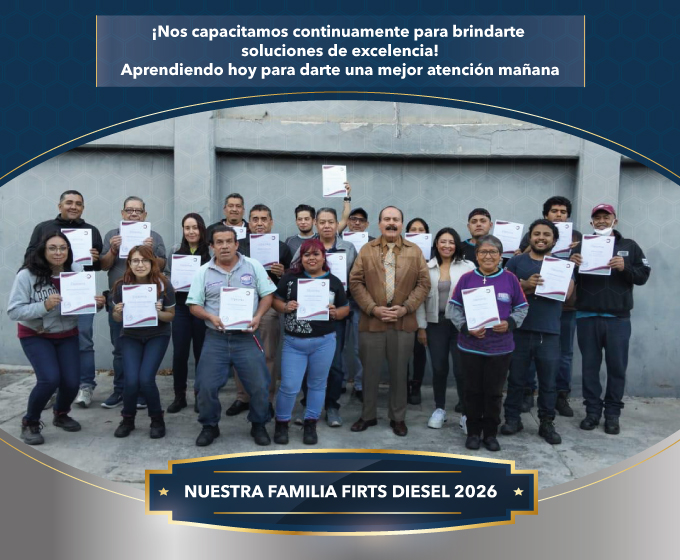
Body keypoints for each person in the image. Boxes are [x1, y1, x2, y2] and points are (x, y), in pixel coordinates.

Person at [8, 232, 104, 445]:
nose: (58, 252)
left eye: (63, 248)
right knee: (50, 379)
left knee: (71, 382)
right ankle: (30, 422)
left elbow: (80, 306)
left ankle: (61, 414)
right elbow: (14, 311)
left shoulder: (76, 272)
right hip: (37, 334)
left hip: (67, 333)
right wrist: (44, 305)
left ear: (69, 251)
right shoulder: (27, 275)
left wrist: (94, 304)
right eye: (52, 248)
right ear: (43, 250)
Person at [186, 225, 276, 447]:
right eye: (219, 242)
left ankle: (258, 423)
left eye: (229, 241)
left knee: (260, 384)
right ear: (212, 246)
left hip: (246, 337)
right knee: (205, 386)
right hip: (215, 338)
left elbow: (267, 295)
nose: (224, 246)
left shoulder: (253, 266)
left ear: (236, 244)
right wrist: (209, 316)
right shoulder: (202, 272)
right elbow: (193, 305)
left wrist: (258, 316)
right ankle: (210, 425)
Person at [349, 206, 430, 437]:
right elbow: (355, 282)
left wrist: (405, 308)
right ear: (379, 223)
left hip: (402, 323)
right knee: (370, 373)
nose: (391, 223)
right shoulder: (367, 250)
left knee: (399, 373)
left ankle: (398, 417)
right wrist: (373, 309)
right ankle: (368, 415)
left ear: (402, 224)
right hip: (372, 322)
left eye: (395, 219)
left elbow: (424, 283)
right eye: (387, 219)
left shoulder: (414, 251)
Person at [570, 204, 651, 435]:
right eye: (597, 218)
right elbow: (567, 278)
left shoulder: (629, 246)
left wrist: (625, 267)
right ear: (591, 222)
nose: (602, 221)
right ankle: (592, 412)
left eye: (606, 217)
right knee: (589, 368)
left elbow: (643, 276)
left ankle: (612, 414)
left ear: (615, 220)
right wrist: (572, 264)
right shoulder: (581, 246)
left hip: (618, 319)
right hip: (586, 317)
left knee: (617, 368)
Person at [24, 190, 104, 409]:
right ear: (59, 206)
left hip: (80, 292)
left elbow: (97, 266)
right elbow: (29, 257)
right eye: (69, 202)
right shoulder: (44, 228)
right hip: (51, 293)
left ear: (83, 208)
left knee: (84, 339)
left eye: (78, 203)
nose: (73, 206)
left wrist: (95, 259)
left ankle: (86, 386)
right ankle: (54, 388)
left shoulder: (91, 231)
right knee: (52, 340)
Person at [449, 235, 528, 452]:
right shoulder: (466, 279)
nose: (488, 256)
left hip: (500, 348)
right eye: (483, 252)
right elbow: (453, 308)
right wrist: (466, 328)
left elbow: (522, 307)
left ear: (500, 256)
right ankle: (473, 432)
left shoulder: (510, 279)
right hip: (470, 346)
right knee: (472, 391)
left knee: (494, 393)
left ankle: (491, 433)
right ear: (476, 255)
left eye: (493, 252)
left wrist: (510, 323)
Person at [501, 220, 574, 445]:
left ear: (554, 240)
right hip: (519, 330)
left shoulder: (563, 265)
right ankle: (512, 419)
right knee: (516, 380)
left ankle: (546, 423)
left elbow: (568, 294)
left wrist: (545, 286)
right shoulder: (516, 261)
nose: (541, 238)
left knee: (548, 382)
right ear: (530, 237)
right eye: (536, 234)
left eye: (546, 234)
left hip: (549, 331)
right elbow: (503, 292)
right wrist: (525, 285)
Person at [271, 239, 350, 445]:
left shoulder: (333, 281)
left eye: (316, 254)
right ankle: (282, 423)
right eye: (307, 255)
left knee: (317, 385)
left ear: (324, 257)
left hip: (323, 342)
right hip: (294, 343)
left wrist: (336, 312)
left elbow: (345, 308)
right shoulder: (290, 278)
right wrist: (285, 307)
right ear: (301, 258)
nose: (311, 258)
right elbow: (276, 300)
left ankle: (310, 423)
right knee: (289, 386)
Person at [291, 207, 357, 427]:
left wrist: (344, 305)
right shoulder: (306, 247)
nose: (326, 226)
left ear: (337, 224)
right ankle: (308, 404)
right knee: (309, 363)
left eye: (330, 222)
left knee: (335, 363)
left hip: (336, 313)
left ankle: (332, 406)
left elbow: (356, 277)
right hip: (308, 313)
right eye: (322, 222)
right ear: (316, 224)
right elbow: (294, 273)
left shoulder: (348, 248)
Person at [225, 204, 293, 417]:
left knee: (268, 355)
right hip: (240, 306)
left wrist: (282, 273)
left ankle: (266, 398)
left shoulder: (282, 248)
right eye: (255, 219)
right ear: (249, 222)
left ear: (271, 222)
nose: (260, 223)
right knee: (240, 354)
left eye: (264, 219)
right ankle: (242, 397)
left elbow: (290, 283)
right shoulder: (237, 245)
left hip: (269, 307)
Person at [517, 196, 582, 416]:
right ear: (546, 214)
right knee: (527, 357)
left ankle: (559, 398)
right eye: (554, 211)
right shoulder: (527, 245)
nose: (559, 214)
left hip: (563, 310)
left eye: (563, 211)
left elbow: (574, 283)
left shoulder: (578, 239)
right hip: (532, 312)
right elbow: (518, 266)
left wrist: (577, 257)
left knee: (563, 355)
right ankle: (526, 394)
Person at [99, 196, 166, 409]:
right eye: (130, 210)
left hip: (146, 302)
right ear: (123, 213)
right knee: (120, 349)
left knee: (143, 349)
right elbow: (103, 265)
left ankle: (141, 392)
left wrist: (151, 252)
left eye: (138, 210)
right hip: (119, 302)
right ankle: (120, 390)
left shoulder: (154, 236)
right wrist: (112, 250)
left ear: (145, 214)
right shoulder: (112, 235)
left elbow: (163, 266)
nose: (134, 214)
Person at [111, 245, 176, 439]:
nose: (140, 265)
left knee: (146, 379)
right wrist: (117, 312)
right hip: (131, 336)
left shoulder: (163, 285)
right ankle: (127, 419)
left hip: (157, 335)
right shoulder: (121, 286)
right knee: (131, 380)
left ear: (152, 262)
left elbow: (171, 316)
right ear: (129, 264)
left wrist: (158, 313)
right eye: (135, 261)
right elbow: (116, 318)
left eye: (145, 260)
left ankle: (157, 419)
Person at [415, 227, 475, 429]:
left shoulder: (468, 267)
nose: (447, 245)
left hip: (460, 325)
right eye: (443, 241)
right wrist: (421, 327)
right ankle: (439, 409)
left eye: (451, 242)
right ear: (436, 244)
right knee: (439, 368)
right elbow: (420, 301)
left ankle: (466, 413)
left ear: (456, 245)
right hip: (435, 325)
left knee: (461, 370)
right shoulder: (426, 267)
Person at [164, 213, 211, 414]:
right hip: (181, 307)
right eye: (187, 228)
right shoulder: (175, 250)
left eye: (195, 227)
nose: (191, 232)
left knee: (202, 353)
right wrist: (170, 285)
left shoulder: (211, 251)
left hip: (202, 308)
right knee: (180, 353)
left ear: (202, 229)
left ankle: (200, 396)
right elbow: (166, 275)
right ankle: (179, 396)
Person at [341, 206, 374, 402]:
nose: (356, 223)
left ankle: (360, 385)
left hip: (362, 301)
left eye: (361, 220)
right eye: (353, 219)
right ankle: (341, 381)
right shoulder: (338, 242)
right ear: (347, 222)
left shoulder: (374, 244)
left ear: (367, 224)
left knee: (359, 346)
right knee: (340, 345)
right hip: (341, 299)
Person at [405, 217, 430, 405]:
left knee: (419, 352)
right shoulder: (400, 253)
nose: (417, 233)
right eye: (413, 229)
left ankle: (416, 386)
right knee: (402, 353)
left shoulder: (433, 256)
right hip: (402, 311)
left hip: (424, 312)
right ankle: (402, 386)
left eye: (421, 230)